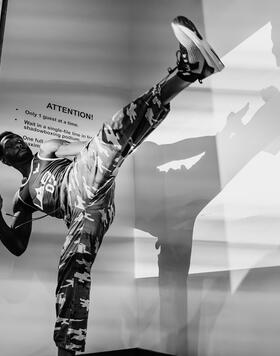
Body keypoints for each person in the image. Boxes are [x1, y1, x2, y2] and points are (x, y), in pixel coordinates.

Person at [0, 16, 224, 356]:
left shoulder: (45, 148)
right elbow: (17, 245)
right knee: (71, 267)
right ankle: (68, 349)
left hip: (83, 177)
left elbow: (88, 146)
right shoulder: (23, 197)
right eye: (7, 144)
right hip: (80, 214)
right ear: (4, 159)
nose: (15, 141)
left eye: (14, 136)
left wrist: (105, 148)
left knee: (115, 132)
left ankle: (188, 72)